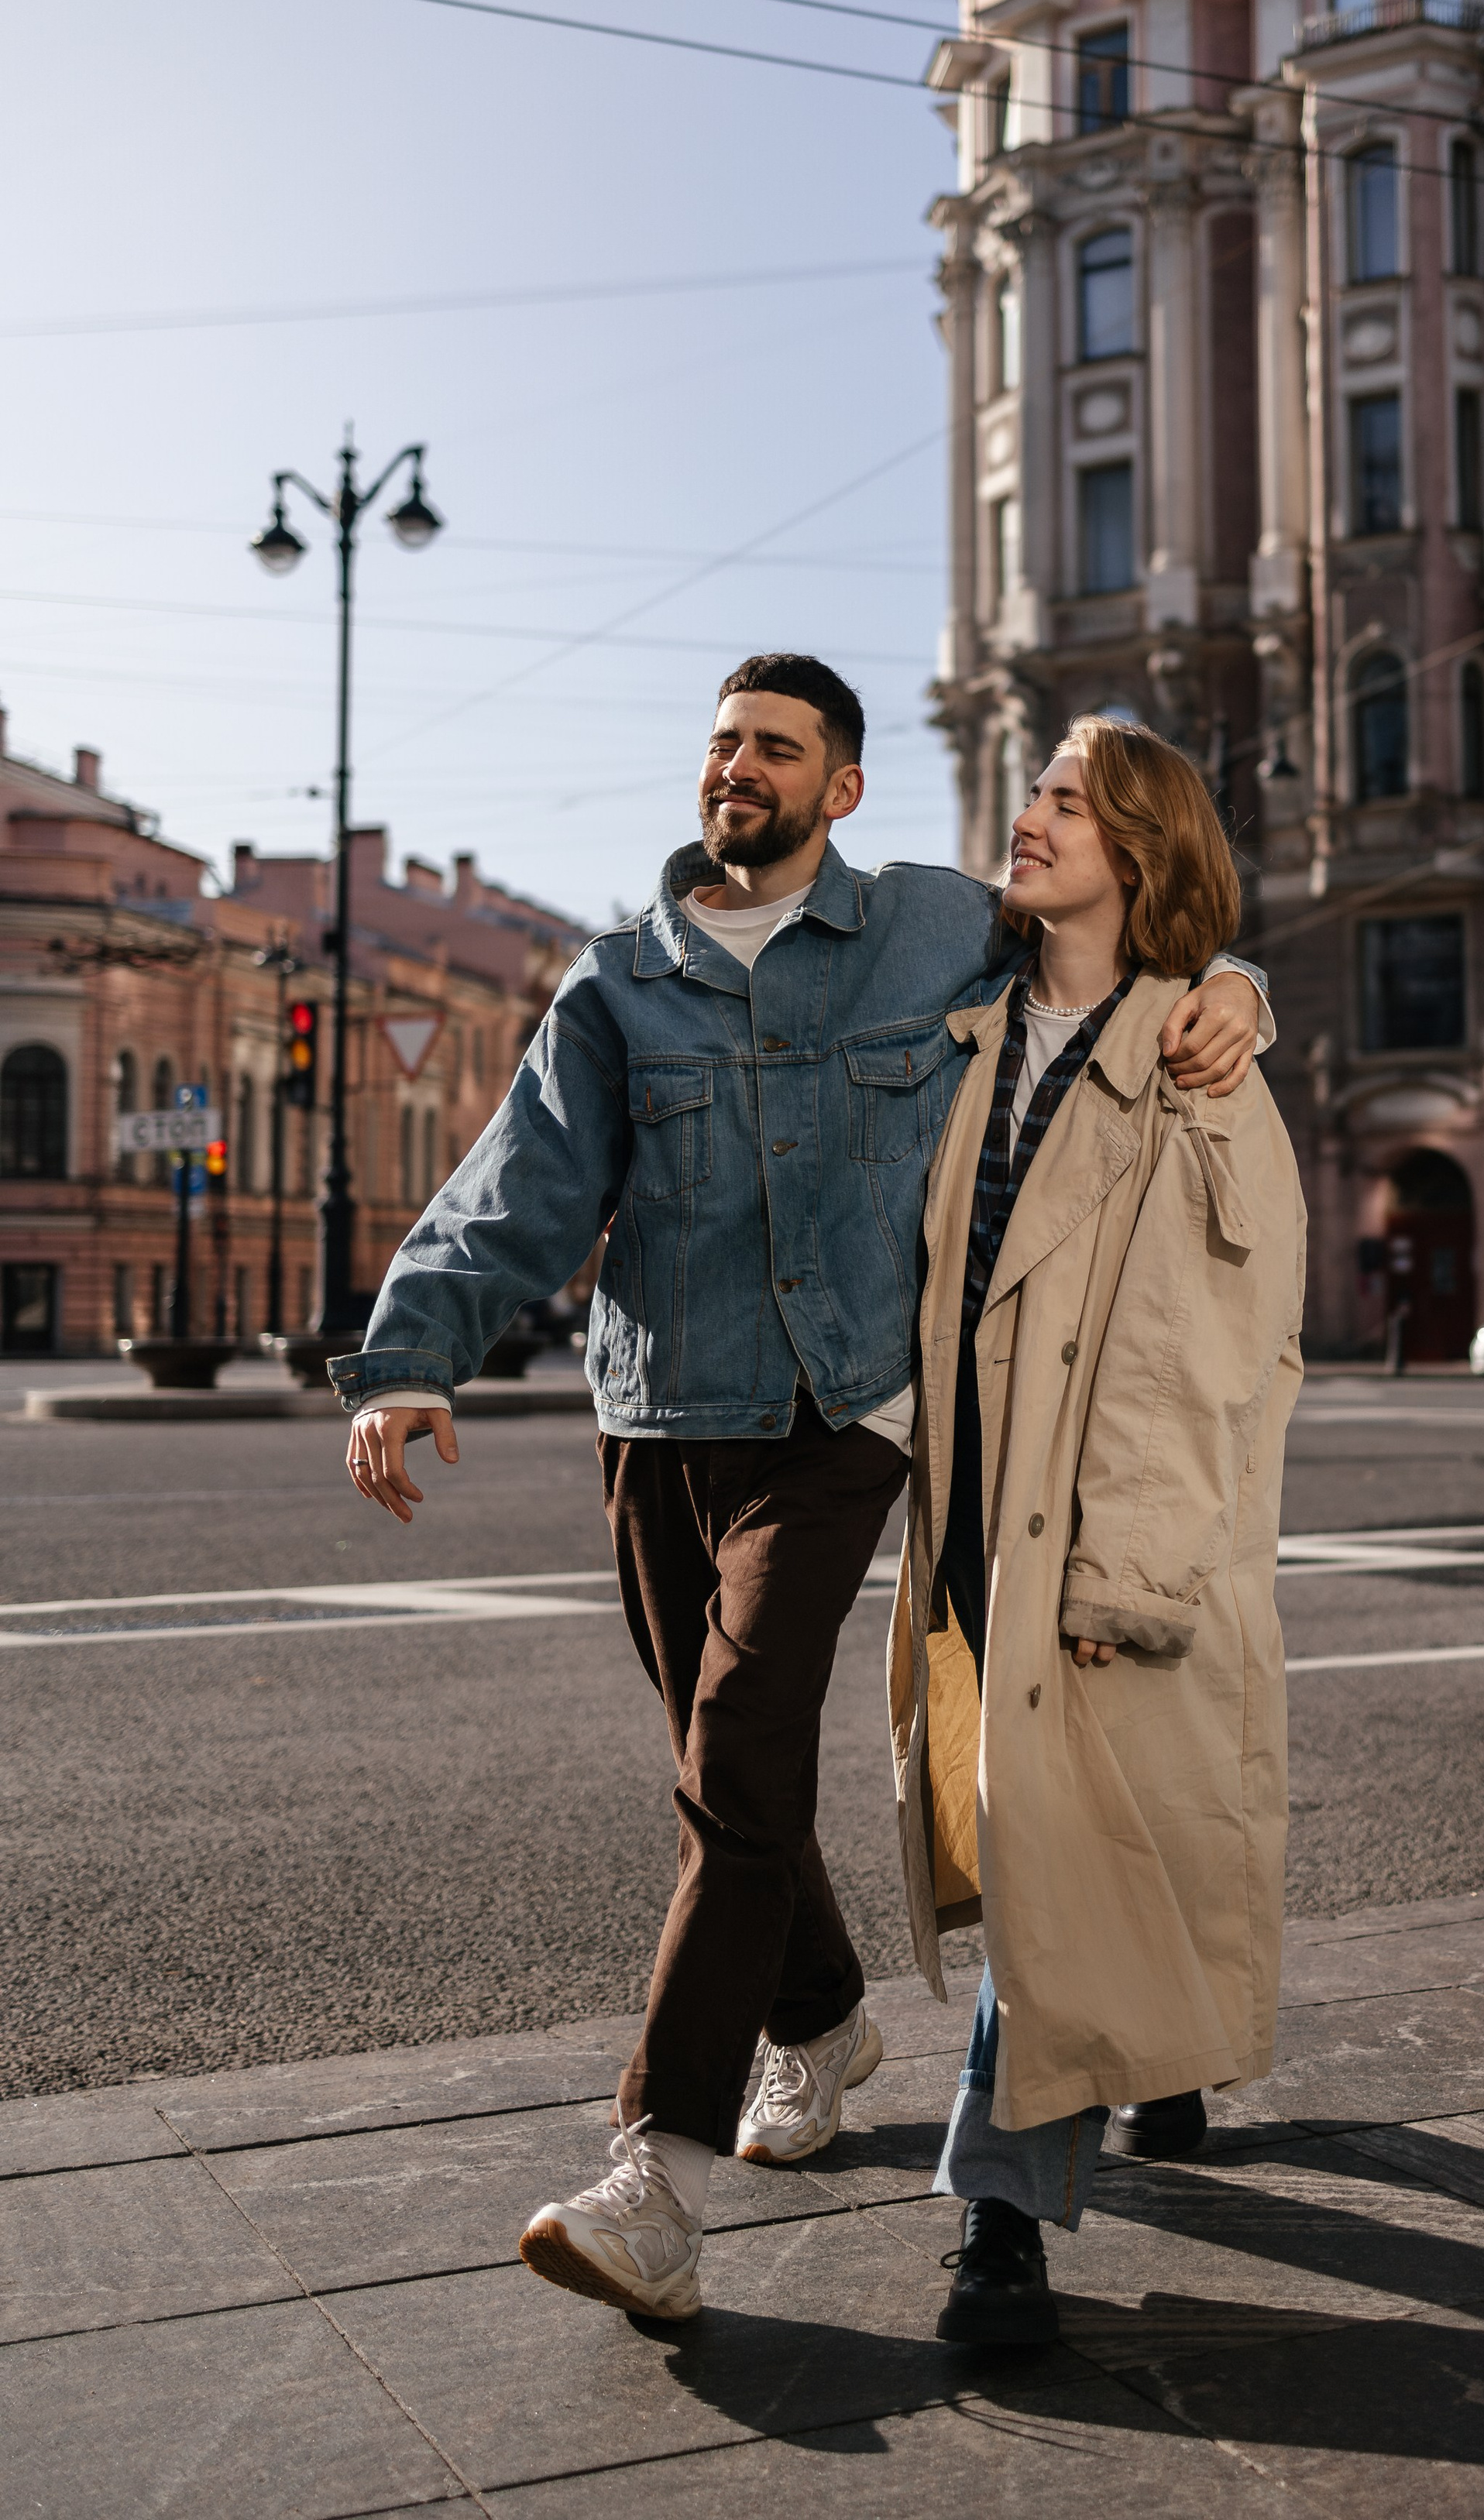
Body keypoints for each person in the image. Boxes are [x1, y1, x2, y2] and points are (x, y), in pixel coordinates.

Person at [334, 654, 1267, 2325]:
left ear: (840, 787)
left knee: (741, 1743)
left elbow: (1133, 943)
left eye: (775, 747)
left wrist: (1239, 983)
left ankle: (656, 2184)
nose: (737, 768)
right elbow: (521, 1185)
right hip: (657, 1419)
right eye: (721, 744)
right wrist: (412, 1356)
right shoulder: (621, 979)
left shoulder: (933, 927)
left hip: (847, 1417)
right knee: (727, 1771)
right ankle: (822, 2016)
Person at [885, 714, 1305, 2346]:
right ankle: (1158, 2055)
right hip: (970, 1519)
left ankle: (998, 2220)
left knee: (1055, 1866)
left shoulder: (1198, 1073)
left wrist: (1121, 1577)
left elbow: (1194, 1364)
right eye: (1035, 791)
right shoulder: (964, 1030)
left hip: (1086, 1536)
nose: (1030, 814)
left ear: (1139, 851)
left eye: (1068, 800)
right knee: (1067, 1847)